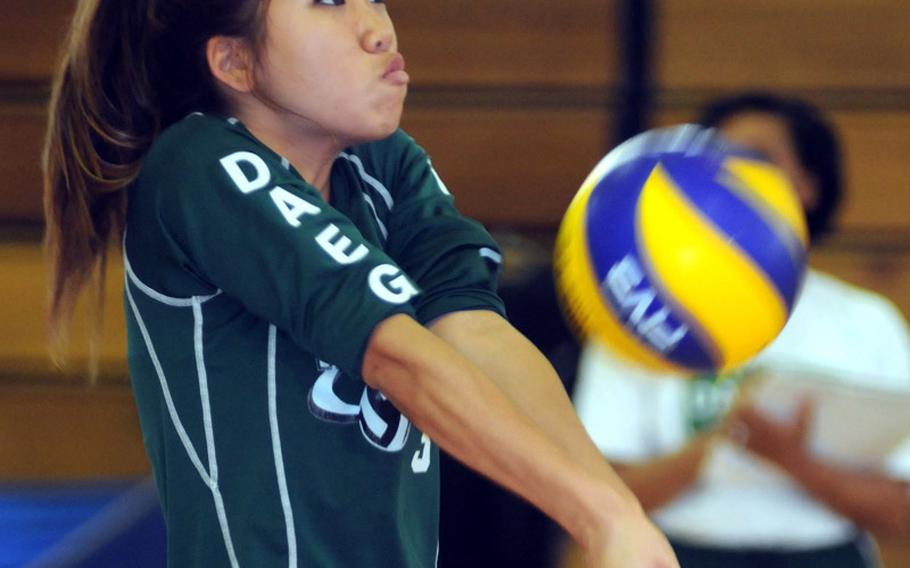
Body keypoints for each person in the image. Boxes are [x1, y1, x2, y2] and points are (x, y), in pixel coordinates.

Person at [41, 1, 679, 567]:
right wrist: (596, 515)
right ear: (235, 63)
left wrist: (619, 517)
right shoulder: (199, 165)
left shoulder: (386, 165)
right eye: (327, 3)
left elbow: (479, 333)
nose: (377, 30)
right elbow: (396, 356)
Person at [573, 92, 910, 567]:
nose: (732, 173)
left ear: (810, 185)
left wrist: (794, 460)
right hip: (679, 552)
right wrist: (716, 446)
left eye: (758, 158)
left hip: (822, 554)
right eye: (716, 159)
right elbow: (592, 496)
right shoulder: (637, 307)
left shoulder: (866, 322)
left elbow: (900, 512)